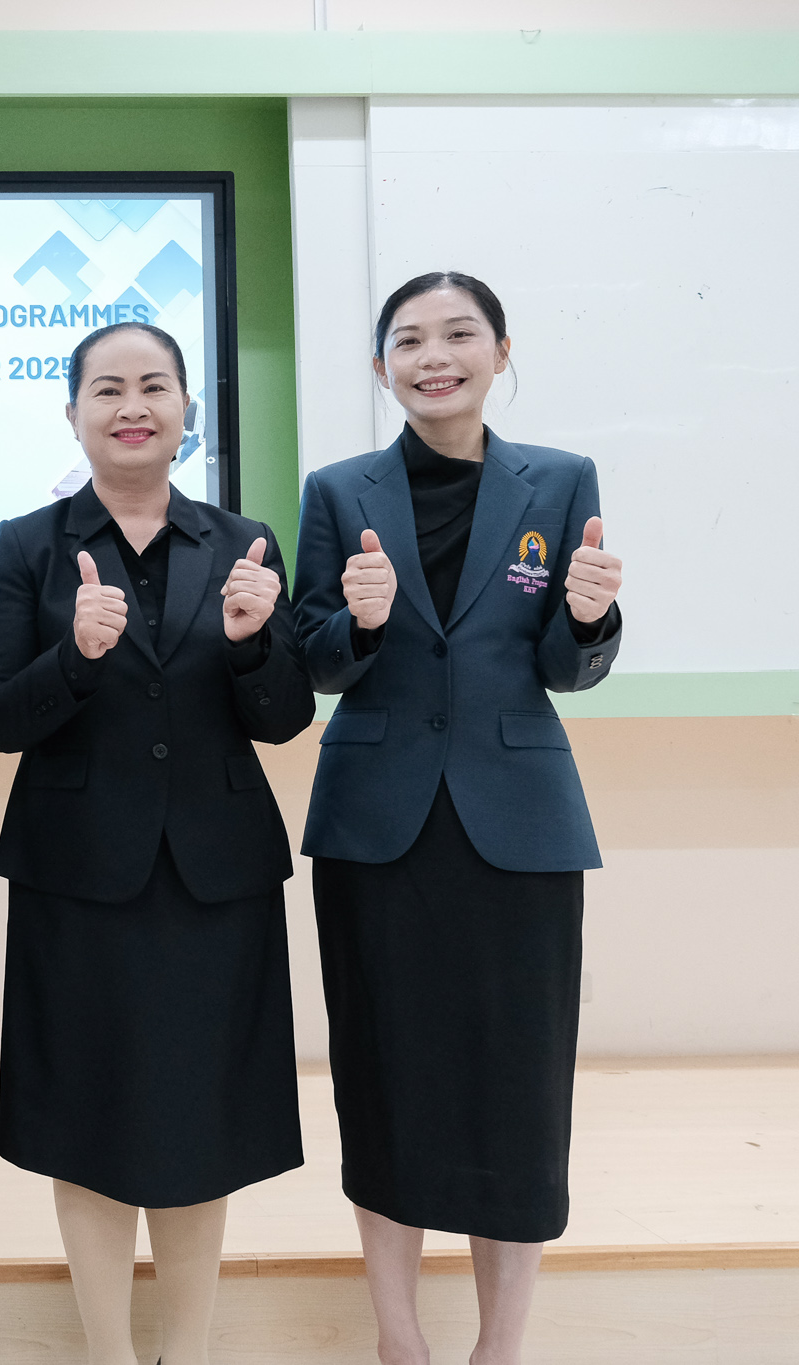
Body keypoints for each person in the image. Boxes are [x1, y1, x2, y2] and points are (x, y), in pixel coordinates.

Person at [292, 272, 625, 1365]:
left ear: (499, 351)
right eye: (408, 340)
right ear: (379, 365)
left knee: (516, 1091)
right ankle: (400, 1340)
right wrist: (358, 625)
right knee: (385, 1079)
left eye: (457, 335)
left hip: (518, 825)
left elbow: (565, 666)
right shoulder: (337, 490)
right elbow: (310, 658)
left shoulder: (558, 480)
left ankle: (499, 1348)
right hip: (376, 826)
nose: (433, 357)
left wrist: (591, 618)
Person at [0, 323, 315, 1365]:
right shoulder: (27, 544)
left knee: (202, 1123)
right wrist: (76, 658)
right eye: (108, 389)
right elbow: (0, 719)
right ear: (72, 413)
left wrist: (254, 645)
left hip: (215, 877)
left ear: (186, 410)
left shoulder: (243, 540)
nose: (133, 406)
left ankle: (189, 1351)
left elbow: (283, 717)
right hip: (77, 875)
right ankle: (110, 1354)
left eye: (155, 386)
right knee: (86, 1122)